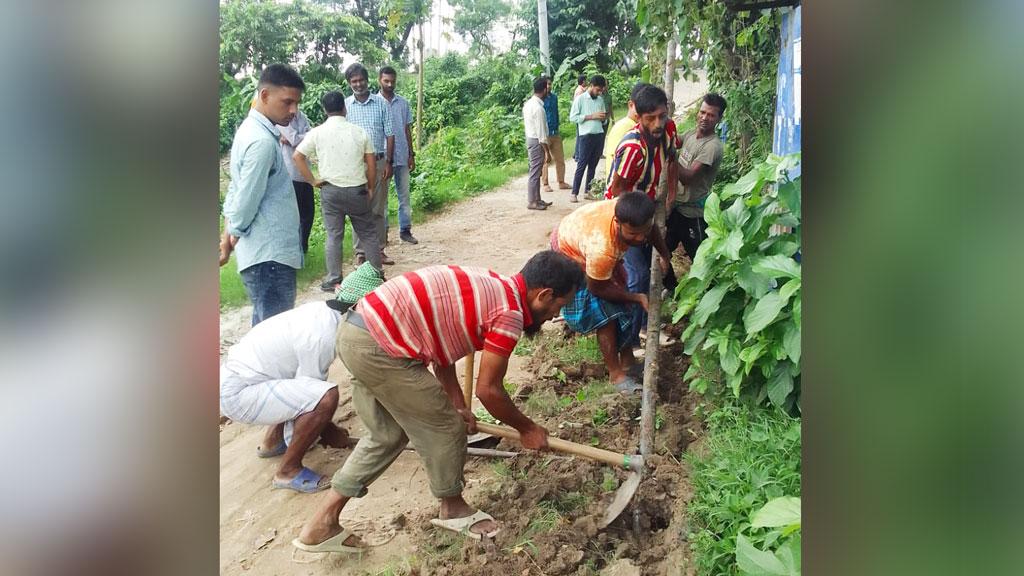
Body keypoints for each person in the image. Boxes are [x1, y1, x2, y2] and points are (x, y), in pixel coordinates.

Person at [292, 251, 584, 553]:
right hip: (382, 346)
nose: (553, 317)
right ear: (544, 294)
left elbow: (442, 351)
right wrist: (527, 429)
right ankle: (453, 508)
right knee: (446, 427)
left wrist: (458, 403)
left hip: (358, 331)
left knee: (388, 435)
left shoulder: (494, 283)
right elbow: (490, 391)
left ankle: (321, 524)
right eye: (557, 307)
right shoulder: (509, 314)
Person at [219, 263, 384, 493]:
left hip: (242, 379)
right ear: (359, 307)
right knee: (326, 396)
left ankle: (272, 443)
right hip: (239, 393)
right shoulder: (323, 336)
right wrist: (331, 433)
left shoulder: (322, 312)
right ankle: (288, 470)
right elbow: (314, 400)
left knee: (295, 387)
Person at [551, 192, 671, 393]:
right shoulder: (602, 248)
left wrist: (665, 255)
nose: (641, 238)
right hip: (569, 253)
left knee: (621, 302)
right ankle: (616, 375)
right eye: (633, 234)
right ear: (617, 223)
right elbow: (597, 287)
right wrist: (635, 297)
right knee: (605, 313)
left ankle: (628, 362)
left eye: (644, 232)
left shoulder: (634, 214)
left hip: (584, 236)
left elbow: (651, 231)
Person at [220, 63, 305, 326]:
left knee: (265, 337)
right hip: (270, 257)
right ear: (265, 96)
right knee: (273, 343)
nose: (293, 110)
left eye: (296, 103)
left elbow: (237, 188)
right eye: (287, 102)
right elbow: (246, 199)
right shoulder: (261, 142)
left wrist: (228, 233)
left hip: (266, 256)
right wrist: (232, 232)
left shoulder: (251, 131)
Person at [604, 84, 679, 345]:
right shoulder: (633, 149)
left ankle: (646, 327)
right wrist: (637, 231)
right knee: (636, 275)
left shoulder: (669, 131)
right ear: (639, 116)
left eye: (661, 115)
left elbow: (672, 161)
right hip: (626, 214)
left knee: (649, 269)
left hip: (646, 208)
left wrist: (670, 197)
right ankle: (630, 340)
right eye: (651, 118)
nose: (658, 123)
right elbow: (617, 192)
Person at [293, 91, 383, 292]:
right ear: (345, 108)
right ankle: (377, 274)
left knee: (334, 235)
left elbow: (297, 156)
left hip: (330, 191)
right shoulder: (359, 132)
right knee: (368, 233)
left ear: (325, 110)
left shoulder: (317, 132)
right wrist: (369, 187)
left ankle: (334, 279)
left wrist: (313, 180)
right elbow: (371, 163)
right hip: (357, 190)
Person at [665, 93, 727, 287]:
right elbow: (675, 141)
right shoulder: (693, 134)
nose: (704, 118)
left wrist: (671, 154)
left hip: (694, 214)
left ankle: (713, 298)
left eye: (711, 115)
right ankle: (673, 289)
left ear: (719, 119)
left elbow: (689, 178)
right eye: (702, 112)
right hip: (677, 208)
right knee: (661, 252)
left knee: (702, 263)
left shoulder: (712, 147)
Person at [344, 63, 395, 266]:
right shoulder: (345, 106)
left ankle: (380, 250)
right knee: (359, 208)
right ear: (349, 83)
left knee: (378, 208)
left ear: (368, 80)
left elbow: (390, 134)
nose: (358, 84)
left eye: (361, 80)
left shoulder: (381, 104)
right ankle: (360, 253)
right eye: (354, 81)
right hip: (355, 164)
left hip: (380, 161)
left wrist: (389, 162)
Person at [377, 66, 419, 245]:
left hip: (402, 155)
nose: (389, 84)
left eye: (392, 81)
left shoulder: (403, 103)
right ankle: (383, 234)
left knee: (404, 196)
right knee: (382, 200)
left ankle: (405, 230)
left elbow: (407, 129)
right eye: (386, 81)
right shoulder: (375, 103)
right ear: (379, 80)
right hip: (383, 157)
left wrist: (411, 153)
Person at [278, 110, 316, 254]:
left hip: (305, 172)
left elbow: (309, 139)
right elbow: (296, 139)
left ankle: (302, 248)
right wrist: (304, 137)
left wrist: (297, 138)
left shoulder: (302, 116)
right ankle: (294, 250)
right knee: (295, 214)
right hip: (290, 174)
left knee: (309, 212)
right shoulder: (282, 118)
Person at [568, 75, 608, 203]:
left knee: (593, 165)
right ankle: (574, 193)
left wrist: (603, 118)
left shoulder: (600, 100)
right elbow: (573, 117)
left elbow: (603, 117)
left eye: (601, 90)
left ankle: (588, 191)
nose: (599, 92)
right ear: (591, 86)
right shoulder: (580, 99)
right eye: (597, 89)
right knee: (582, 165)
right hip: (586, 136)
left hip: (599, 134)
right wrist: (591, 116)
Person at [523, 76, 553, 211]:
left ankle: (537, 199)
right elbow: (541, 134)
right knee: (535, 172)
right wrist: (547, 151)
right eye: (548, 87)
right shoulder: (538, 108)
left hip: (531, 139)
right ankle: (532, 201)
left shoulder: (529, 104)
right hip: (537, 141)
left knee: (536, 171)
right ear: (544, 89)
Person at [541, 77, 571, 193]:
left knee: (560, 158)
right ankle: (545, 183)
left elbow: (556, 112)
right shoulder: (540, 100)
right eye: (547, 84)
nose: (549, 86)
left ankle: (561, 181)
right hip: (545, 133)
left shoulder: (554, 98)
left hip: (555, 132)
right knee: (545, 160)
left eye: (550, 84)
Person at [572, 74, 587, 161]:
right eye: (586, 80)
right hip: (579, 116)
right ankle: (578, 155)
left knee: (580, 135)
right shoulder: (580, 92)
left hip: (579, 115)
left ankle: (576, 153)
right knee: (579, 135)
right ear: (583, 81)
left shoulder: (580, 90)